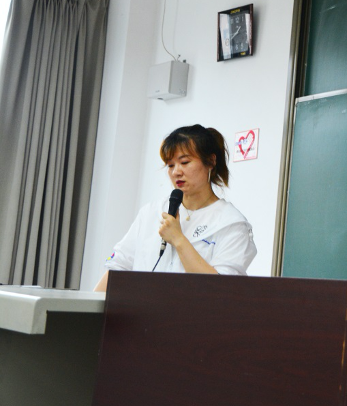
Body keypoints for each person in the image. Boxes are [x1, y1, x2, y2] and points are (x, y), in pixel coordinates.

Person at [94, 125, 256, 291]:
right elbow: (118, 267)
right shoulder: (152, 211)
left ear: (211, 161)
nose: (176, 172)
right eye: (170, 165)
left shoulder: (231, 223)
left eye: (184, 162)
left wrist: (178, 239)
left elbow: (221, 289)